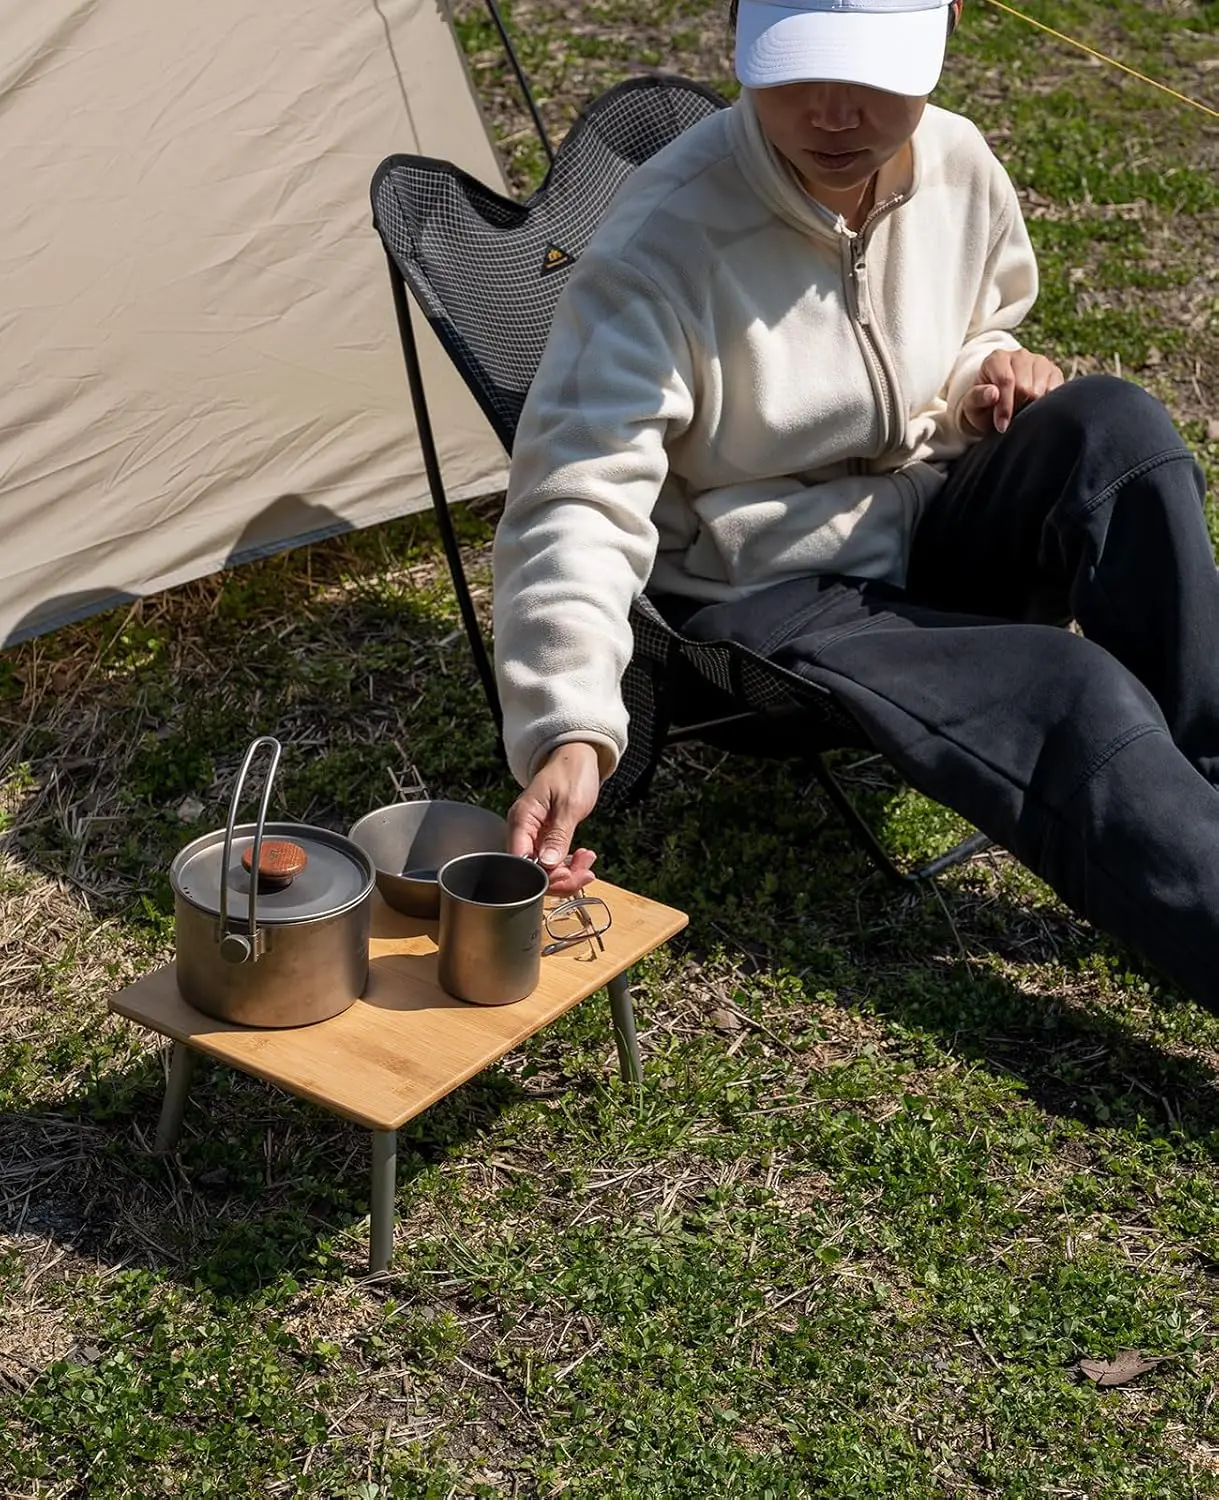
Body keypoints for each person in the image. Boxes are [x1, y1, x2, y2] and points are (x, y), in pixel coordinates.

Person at [492, 0, 1219, 1012]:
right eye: (797, 70)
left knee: (1116, 430)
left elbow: (972, 326)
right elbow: (575, 494)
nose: (835, 114)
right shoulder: (662, 242)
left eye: (874, 75)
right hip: (770, 590)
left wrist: (984, 376)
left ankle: (1205, 769)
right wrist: (567, 723)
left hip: (924, 517)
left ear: (947, 23)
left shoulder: (956, 160)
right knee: (1064, 688)